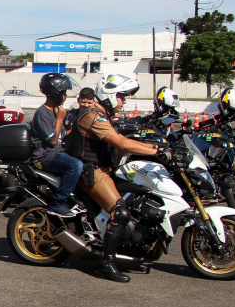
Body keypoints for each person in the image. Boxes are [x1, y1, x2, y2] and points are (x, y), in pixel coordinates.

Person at [64, 73, 163, 283]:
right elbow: (121, 143)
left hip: (103, 168)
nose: (123, 101)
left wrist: (158, 147)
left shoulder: (102, 115)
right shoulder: (93, 116)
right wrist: (156, 151)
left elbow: (124, 140)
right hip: (91, 171)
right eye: (121, 96)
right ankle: (106, 264)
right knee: (120, 213)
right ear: (109, 94)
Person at [31, 74, 84, 218]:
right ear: (54, 92)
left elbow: (62, 136)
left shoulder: (55, 111)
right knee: (75, 165)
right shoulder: (42, 113)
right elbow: (52, 140)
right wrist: (60, 118)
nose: (65, 96)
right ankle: (58, 203)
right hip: (45, 156)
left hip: (57, 153)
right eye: (63, 93)